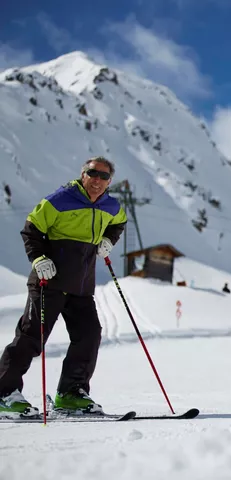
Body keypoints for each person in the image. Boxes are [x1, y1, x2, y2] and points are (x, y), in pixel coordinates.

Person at [0, 157, 126, 416]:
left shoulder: (111, 206)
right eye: (92, 174)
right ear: (83, 174)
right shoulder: (60, 200)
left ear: (109, 181)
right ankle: (4, 393)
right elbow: (31, 231)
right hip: (49, 281)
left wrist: (108, 240)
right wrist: (38, 258)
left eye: (103, 177)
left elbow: (119, 223)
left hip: (81, 286)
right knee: (31, 337)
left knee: (89, 336)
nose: (97, 180)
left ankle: (70, 393)